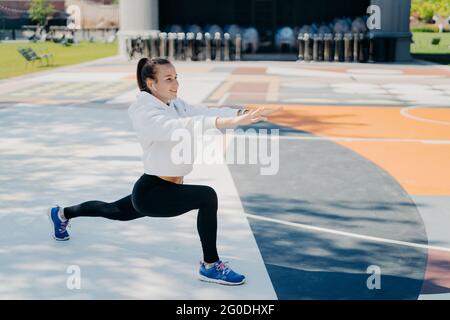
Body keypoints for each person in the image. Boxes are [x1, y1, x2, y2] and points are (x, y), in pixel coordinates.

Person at [48, 57, 280, 286]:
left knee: (112, 210)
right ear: (151, 84)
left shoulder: (174, 104)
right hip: (153, 191)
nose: (175, 83)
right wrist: (223, 123)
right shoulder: (144, 113)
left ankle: (62, 214)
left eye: (176, 78)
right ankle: (210, 266)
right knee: (207, 196)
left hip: (160, 189)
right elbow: (178, 127)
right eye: (168, 79)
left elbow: (202, 112)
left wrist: (241, 112)